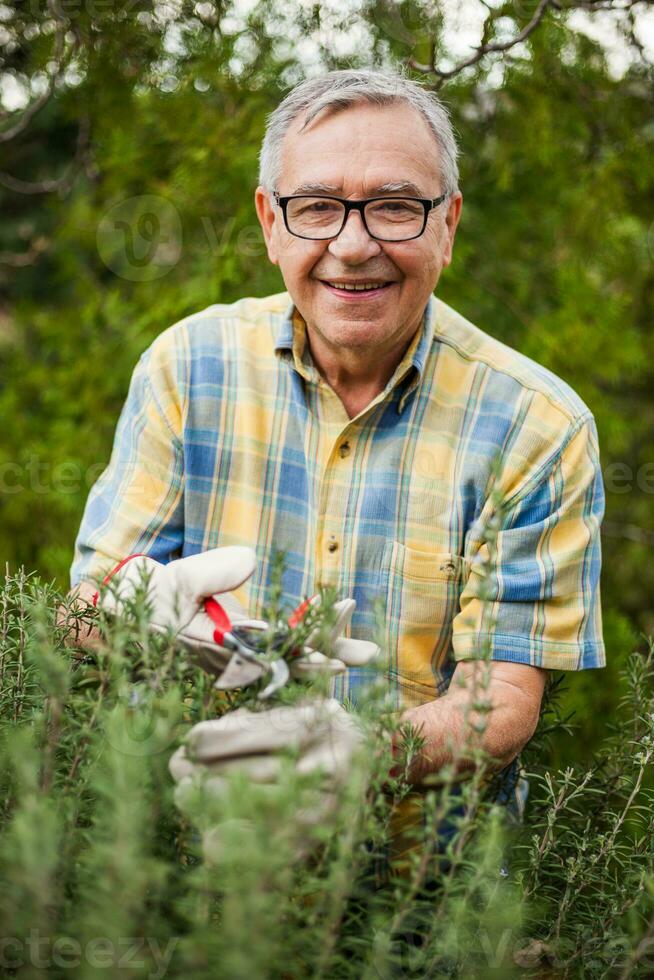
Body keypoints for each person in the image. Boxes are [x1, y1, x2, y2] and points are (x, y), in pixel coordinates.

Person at [68, 69, 605, 864]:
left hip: (422, 900)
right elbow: (81, 612)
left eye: (395, 207)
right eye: (316, 207)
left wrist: (361, 753)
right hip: (195, 870)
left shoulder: (538, 426)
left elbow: (501, 704)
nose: (353, 247)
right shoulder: (188, 367)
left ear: (448, 225)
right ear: (269, 223)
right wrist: (132, 616)